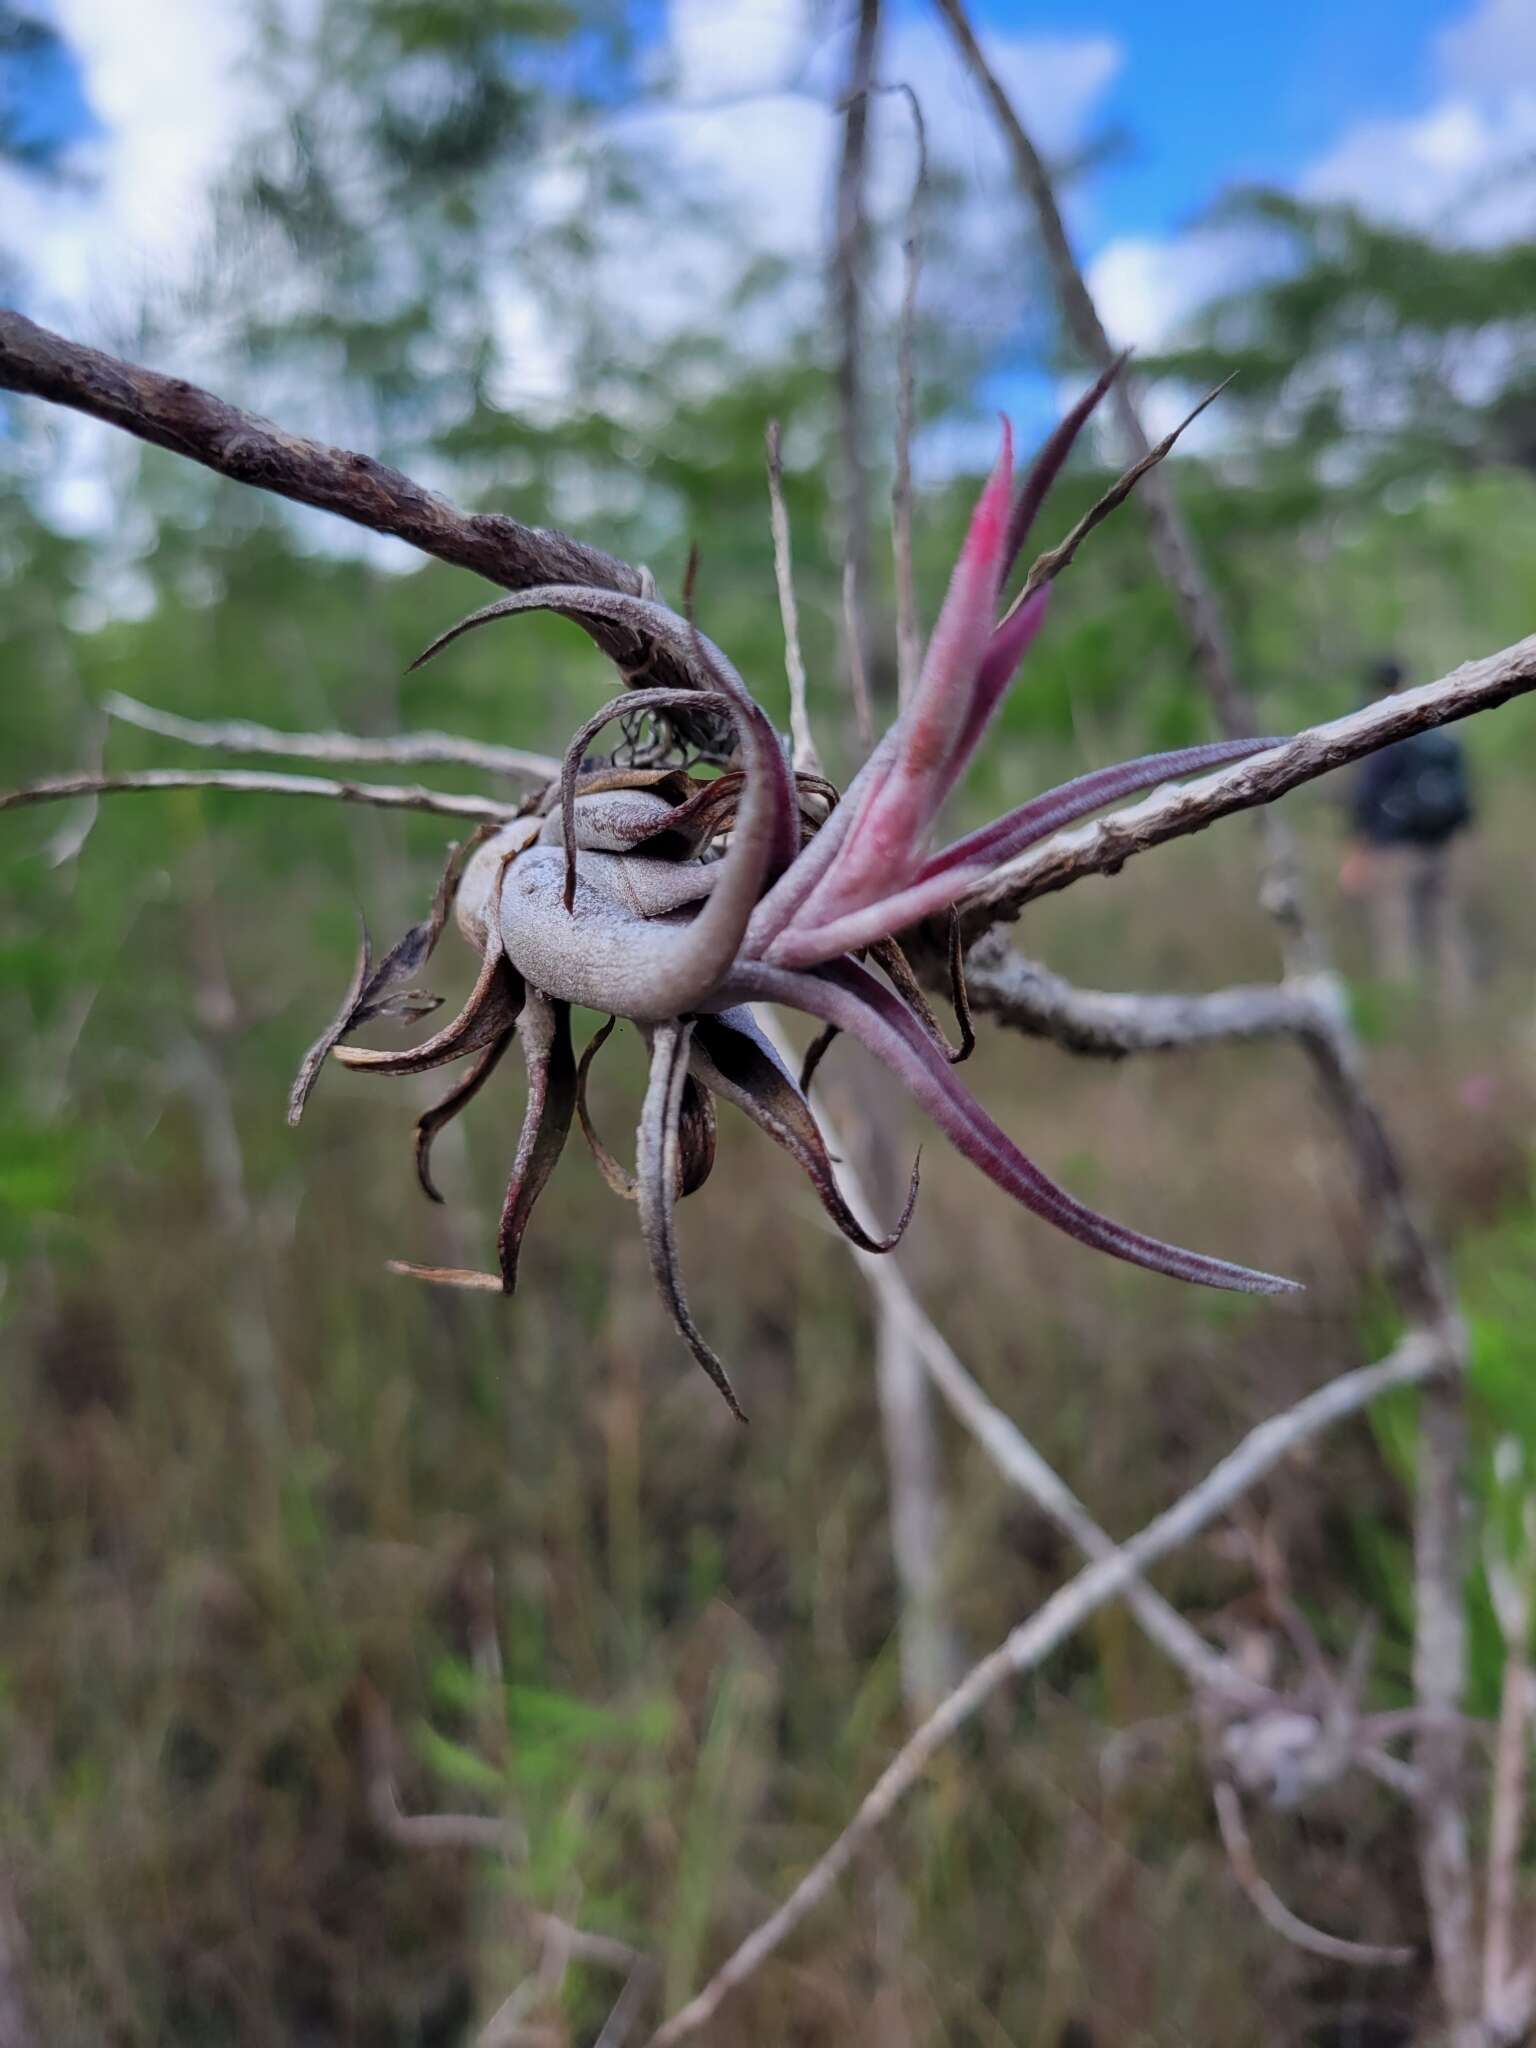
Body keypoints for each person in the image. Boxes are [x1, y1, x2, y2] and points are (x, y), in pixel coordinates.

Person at [1340, 657, 1474, 1003]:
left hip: (1395, 851)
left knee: (1397, 939)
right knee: (1446, 933)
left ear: (1376, 687)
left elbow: (1365, 796)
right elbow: (1464, 790)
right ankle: (1457, 1008)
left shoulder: (1386, 729)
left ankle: (1404, 1014)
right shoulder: (1440, 725)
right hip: (1439, 845)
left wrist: (1357, 853)